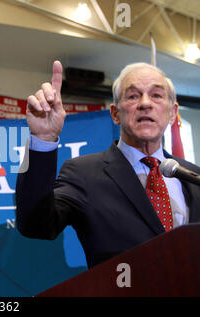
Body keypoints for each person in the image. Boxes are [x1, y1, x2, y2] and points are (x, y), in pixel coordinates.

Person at [15, 61, 200, 268]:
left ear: (173, 113)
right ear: (115, 114)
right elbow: (35, 225)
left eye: (157, 95)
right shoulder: (83, 173)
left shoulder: (193, 176)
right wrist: (43, 138)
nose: (145, 103)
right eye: (133, 96)